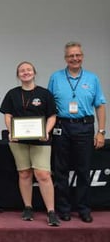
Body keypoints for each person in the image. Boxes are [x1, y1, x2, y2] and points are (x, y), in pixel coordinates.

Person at [48, 41, 106, 223]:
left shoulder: (92, 78)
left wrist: (101, 131)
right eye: (71, 55)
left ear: (82, 56)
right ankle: (64, 209)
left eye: (78, 55)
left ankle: (83, 209)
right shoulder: (55, 77)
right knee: (61, 170)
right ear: (65, 58)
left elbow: (100, 106)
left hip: (84, 127)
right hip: (61, 127)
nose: (75, 58)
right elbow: (49, 106)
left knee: (83, 170)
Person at [0, 61, 60, 226]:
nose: (25, 72)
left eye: (28, 70)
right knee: (24, 174)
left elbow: (52, 116)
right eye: (22, 70)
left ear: (34, 72)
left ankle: (51, 211)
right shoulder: (12, 94)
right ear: (18, 75)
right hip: (19, 141)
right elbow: (7, 115)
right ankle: (28, 207)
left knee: (43, 175)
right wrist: (11, 131)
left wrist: (46, 131)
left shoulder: (45, 94)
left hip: (41, 141)